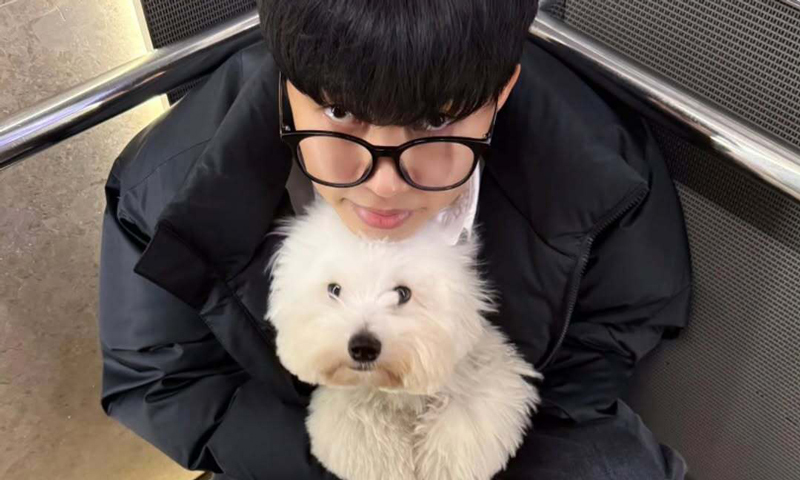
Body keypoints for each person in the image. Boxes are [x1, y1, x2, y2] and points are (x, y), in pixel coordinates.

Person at [98, 1, 692, 479]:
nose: (383, 184)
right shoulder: (166, 188)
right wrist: (344, 460)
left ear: (501, 94)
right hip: (295, 440)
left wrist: (488, 438)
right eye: (339, 112)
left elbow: (614, 330)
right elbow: (163, 382)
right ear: (287, 82)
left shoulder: (603, 168)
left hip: (521, 432)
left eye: (434, 122)